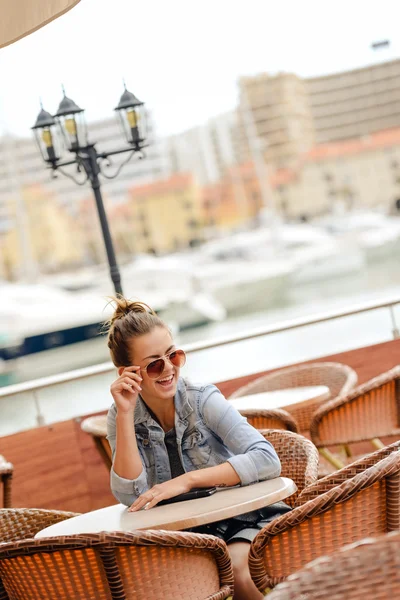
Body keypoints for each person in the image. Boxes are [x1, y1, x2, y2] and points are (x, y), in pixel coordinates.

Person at [106, 297, 290, 600]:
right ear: (128, 373)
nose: (168, 369)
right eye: (153, 364)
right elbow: (130, 495)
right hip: (186, 537)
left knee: (237, 572)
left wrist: (187, 480)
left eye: (173, 355)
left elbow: (267, 459)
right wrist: (125, 414)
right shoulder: (121, 416)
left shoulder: (202, 399)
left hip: (244, 519)